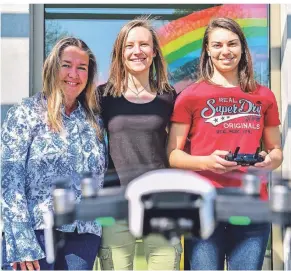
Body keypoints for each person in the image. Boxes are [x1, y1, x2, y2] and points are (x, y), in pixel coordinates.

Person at [167, 17, 283, 270]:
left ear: (242, 47)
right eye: (217, 45)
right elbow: (173, 155)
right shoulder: (190, 96)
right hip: (204, 207)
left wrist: (268, 160)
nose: (225, 51)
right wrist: (206, 162)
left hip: (252, 207)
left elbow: (277, 151)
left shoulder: (264, 95)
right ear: (207, 50)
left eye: (232, 44)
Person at [1, 37, 107, 270]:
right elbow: (10, 182)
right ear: (52, 68)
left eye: (82, 68)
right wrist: (21, 241)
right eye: (66, 65)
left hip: (83, 236)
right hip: (36, 233)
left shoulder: (94, 122)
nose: (74, 74)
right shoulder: (25, 113)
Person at [96, 17, 182, 270]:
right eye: (129, 45)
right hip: (116, 202)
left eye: (144, 45)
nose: (137, 51)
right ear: (120, 53)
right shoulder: (102, 96)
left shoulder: (169, 96)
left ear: (154, 52)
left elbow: (175, 149)